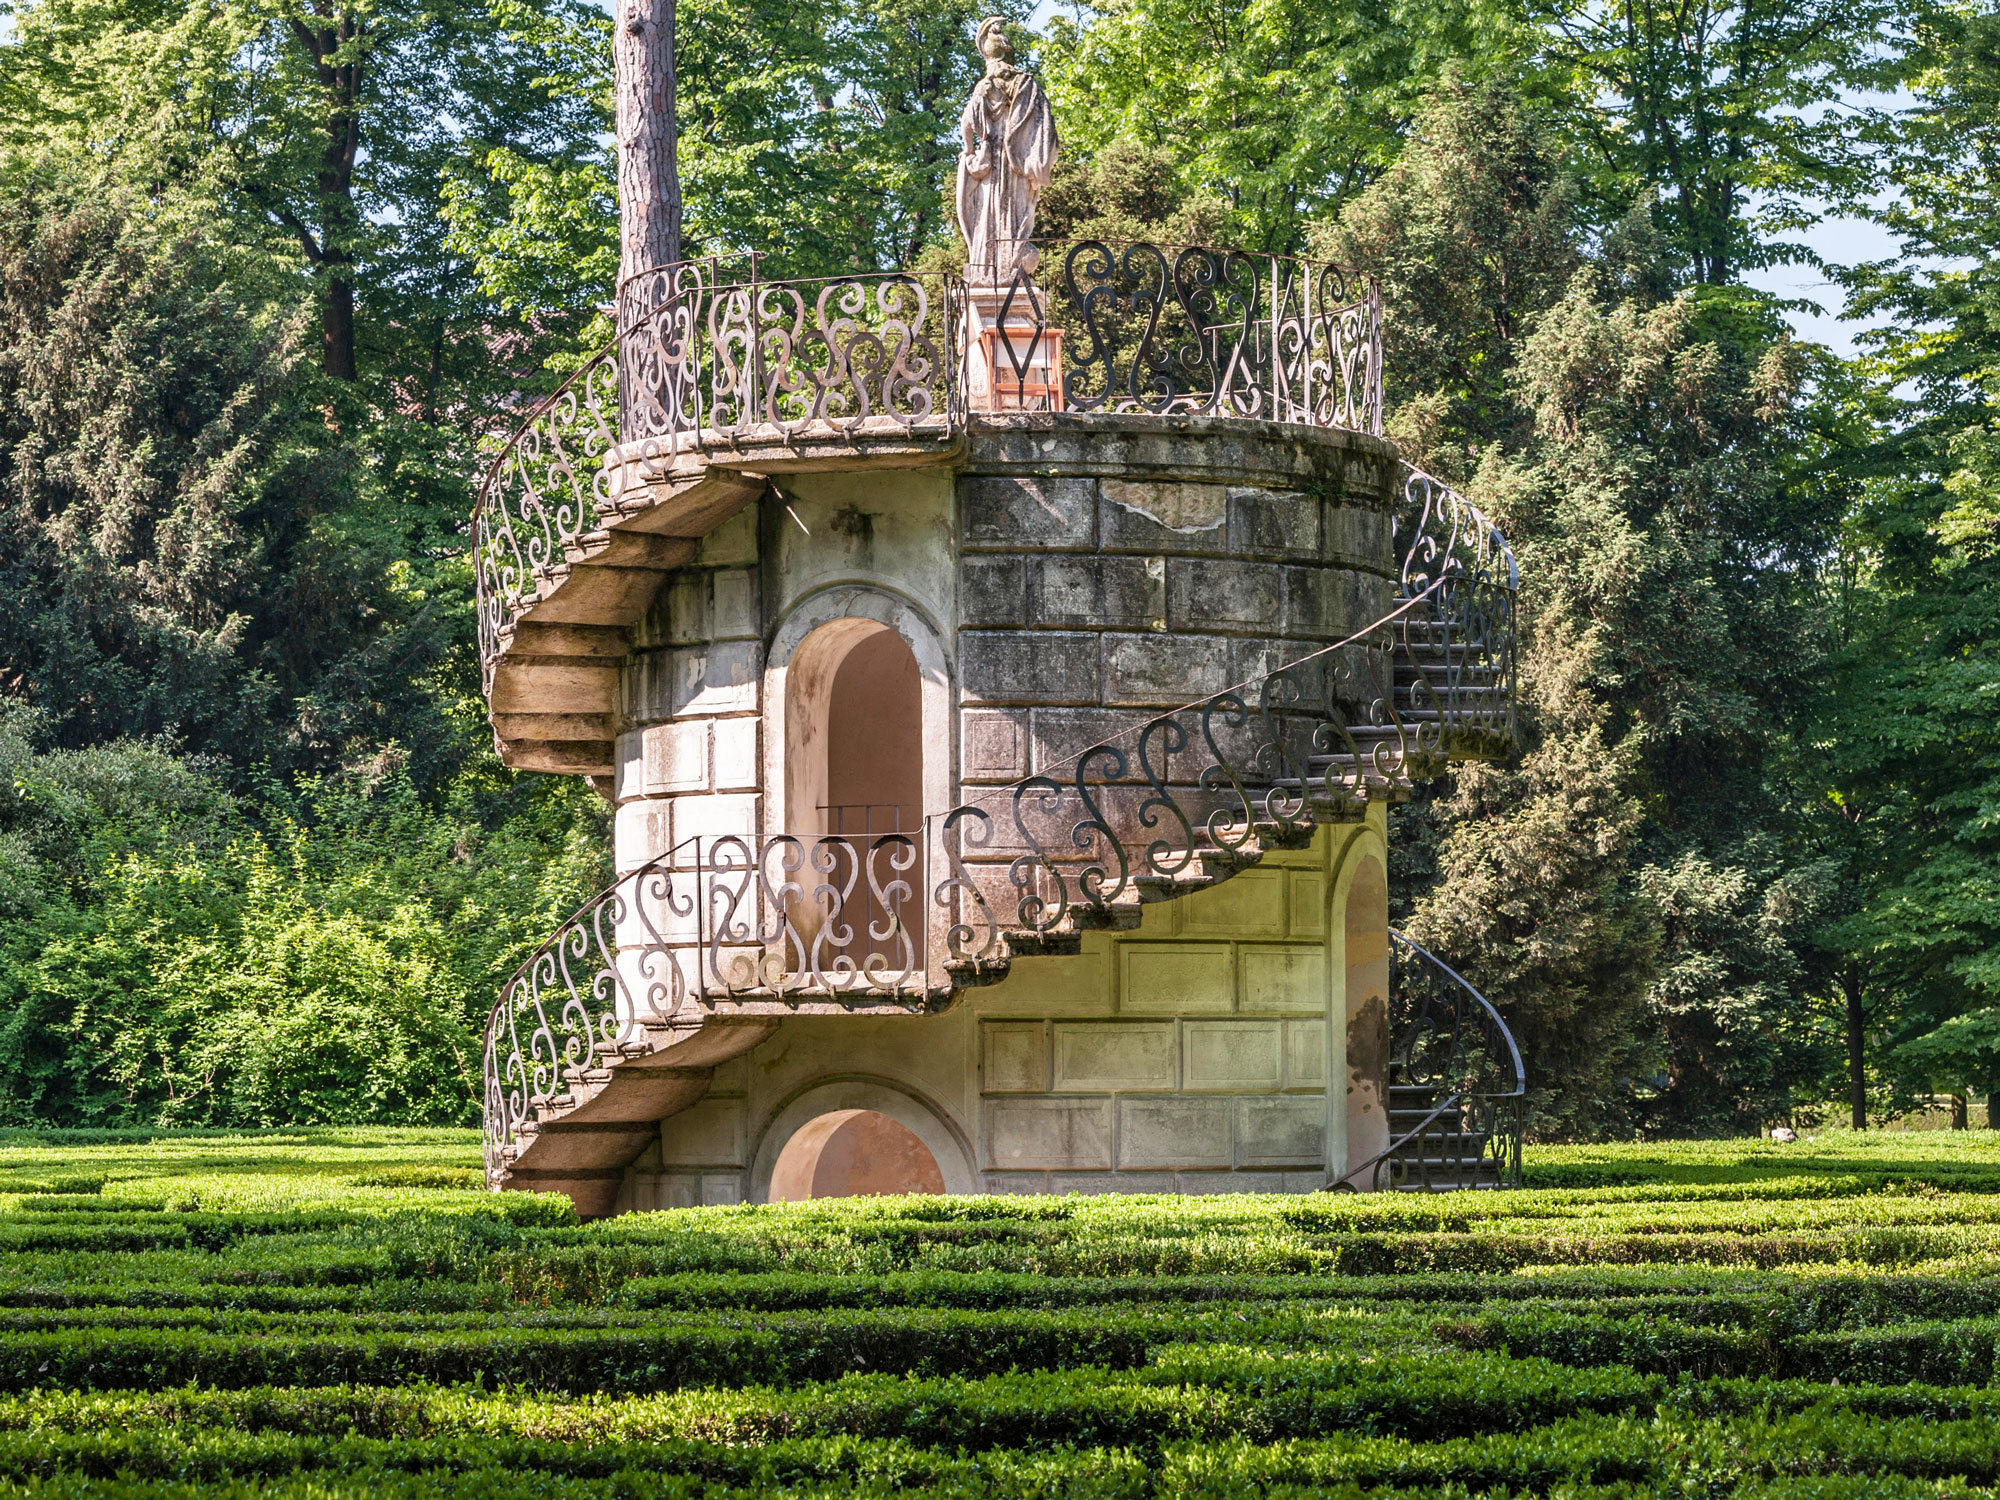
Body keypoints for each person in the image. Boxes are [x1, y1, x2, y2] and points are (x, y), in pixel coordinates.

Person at [956, 17, 1059, 281]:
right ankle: (1009, 269)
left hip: (991, 162)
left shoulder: (983, 88)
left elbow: (967, 124)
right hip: (1018, 165)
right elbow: (1046, 131)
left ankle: (989, 271)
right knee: (1015, 215)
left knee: (988, 216)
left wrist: (969, 152)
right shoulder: (1028, 85)